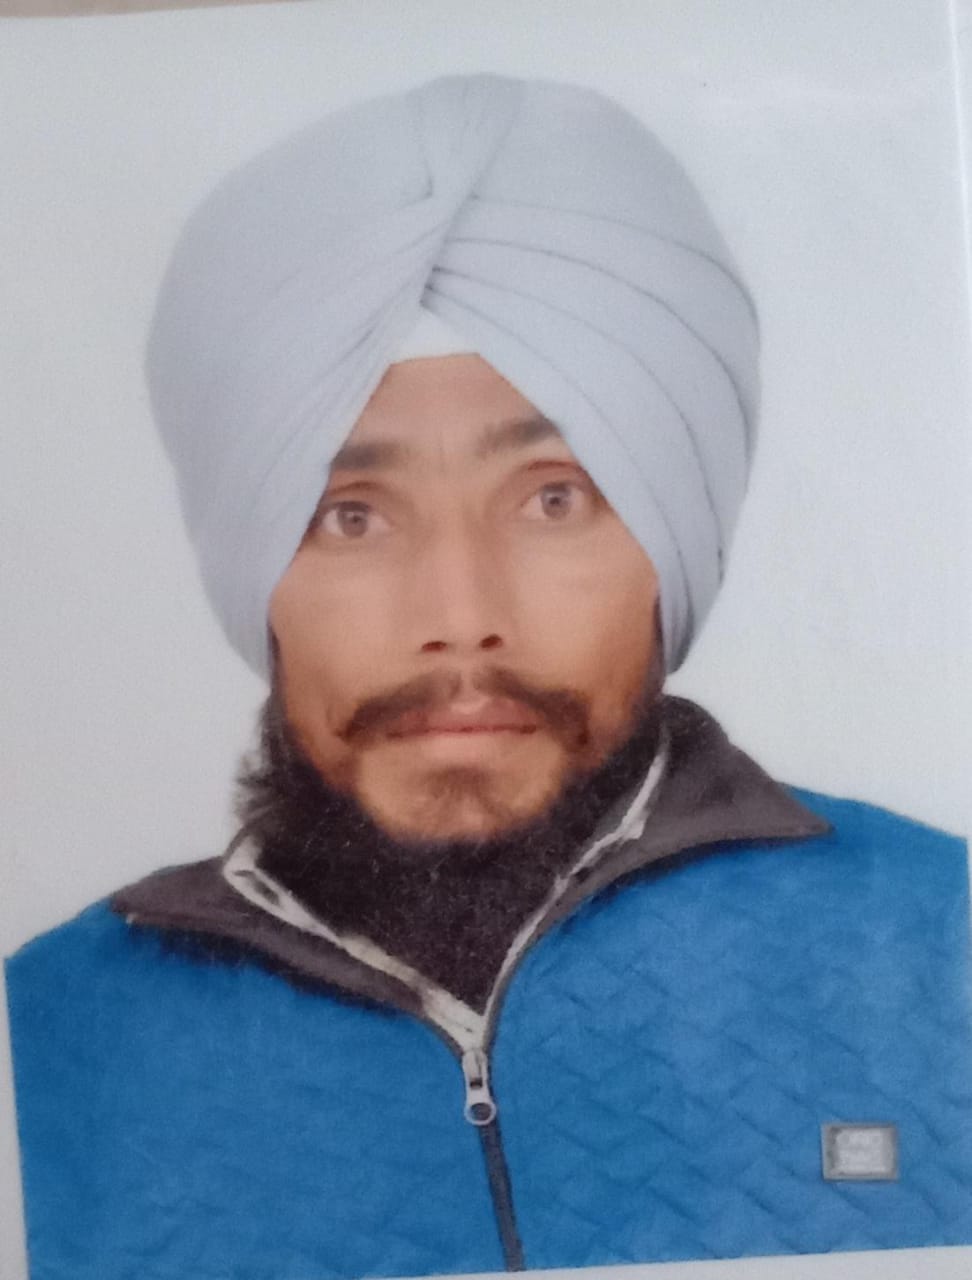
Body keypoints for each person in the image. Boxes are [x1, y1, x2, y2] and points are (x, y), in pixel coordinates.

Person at [6, 74, 972, 1280]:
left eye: (553, 499)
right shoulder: (46, 1029)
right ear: (252, 565)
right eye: (353, 515)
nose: (458, 619)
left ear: (669, 540)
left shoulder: (943, 935)